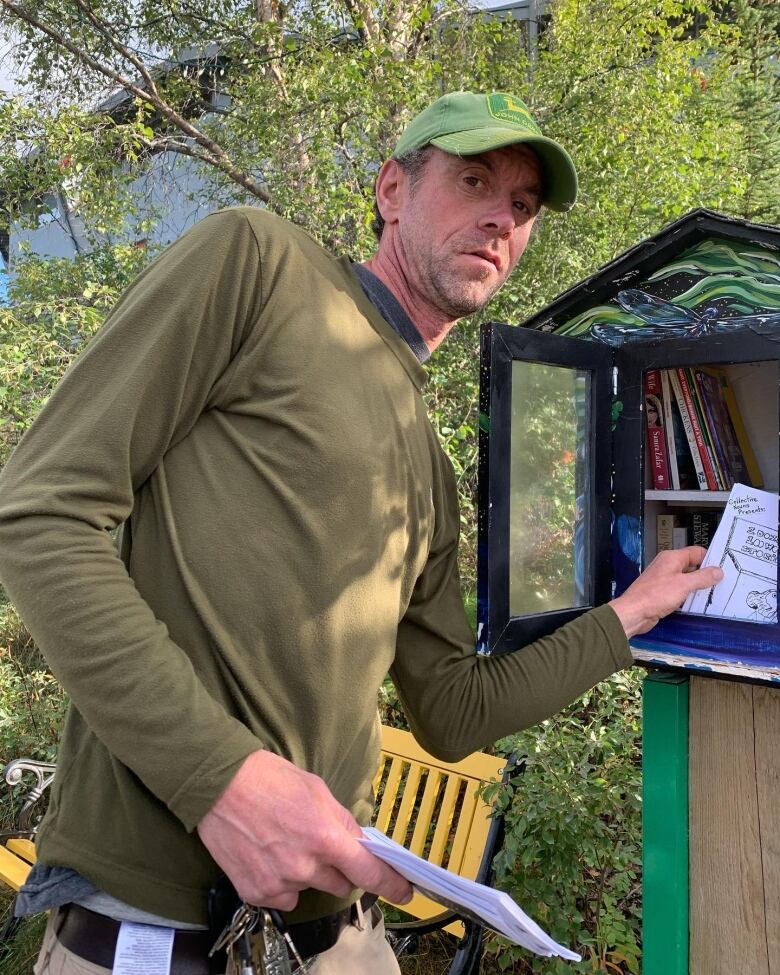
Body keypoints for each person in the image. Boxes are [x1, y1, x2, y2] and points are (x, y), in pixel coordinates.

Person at [0, 91, 722, 974]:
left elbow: (456, 708)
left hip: (341, 938)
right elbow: (42, 511)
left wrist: (629, 616)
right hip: (151, 932)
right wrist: (218, 776)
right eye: (473, 180)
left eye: (524, 207)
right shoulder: (259, 263)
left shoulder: (427, 460)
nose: (501, 216)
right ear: (391, 189)